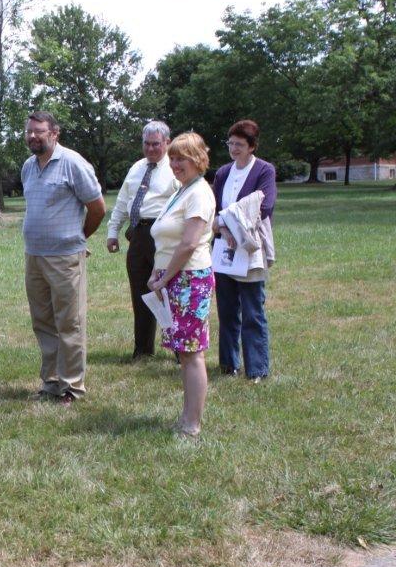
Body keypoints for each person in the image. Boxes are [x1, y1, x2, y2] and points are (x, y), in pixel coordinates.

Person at [20, 111, 106, 405]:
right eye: (29, 131)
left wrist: (80, 238)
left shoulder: (72, 163)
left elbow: (97, 208)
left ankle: (72, 387)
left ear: (54, 133)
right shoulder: (28, 167)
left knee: (69, 322)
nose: (32, 136)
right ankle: (51, 381)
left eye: (39, 131)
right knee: (43, 322)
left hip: (65, 258)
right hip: (34, 257)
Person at [146, 132, 216, 437]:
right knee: (185, 353)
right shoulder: (182, 191)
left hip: (189, 280)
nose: (174, 164)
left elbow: (188, 244)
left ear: (198, 159)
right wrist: (156, 273)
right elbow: (166, 239)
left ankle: (192, 424)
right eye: (172, 158)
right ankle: (187, 417)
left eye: (181, 158)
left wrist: (164, 277)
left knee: (191, 353)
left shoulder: (199, 193)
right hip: (174, 278)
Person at [106, 120, 179, 359]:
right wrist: (112, 232)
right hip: (138, 234)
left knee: (170, 292)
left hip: (164, 234)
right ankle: (143, 350)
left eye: (156, 144)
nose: (150, 149)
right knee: (140, 292)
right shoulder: (137, 167)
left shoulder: (176, 168)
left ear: (167, 142)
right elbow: (122, 202)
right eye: (146, 144)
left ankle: (181, 349)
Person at [211, 119, 277, 383]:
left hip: (250, 249)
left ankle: (257, 369)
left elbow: (264, 207)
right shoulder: (223, 172)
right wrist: (223, 228)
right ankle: (228, 363)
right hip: (223, 248)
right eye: (231, 143)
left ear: (252, 146)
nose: (234, 148)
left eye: (240, 144)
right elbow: (213, 208)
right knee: (227, 310)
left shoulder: (264, 170)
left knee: (252, 310)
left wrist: (225, 223)